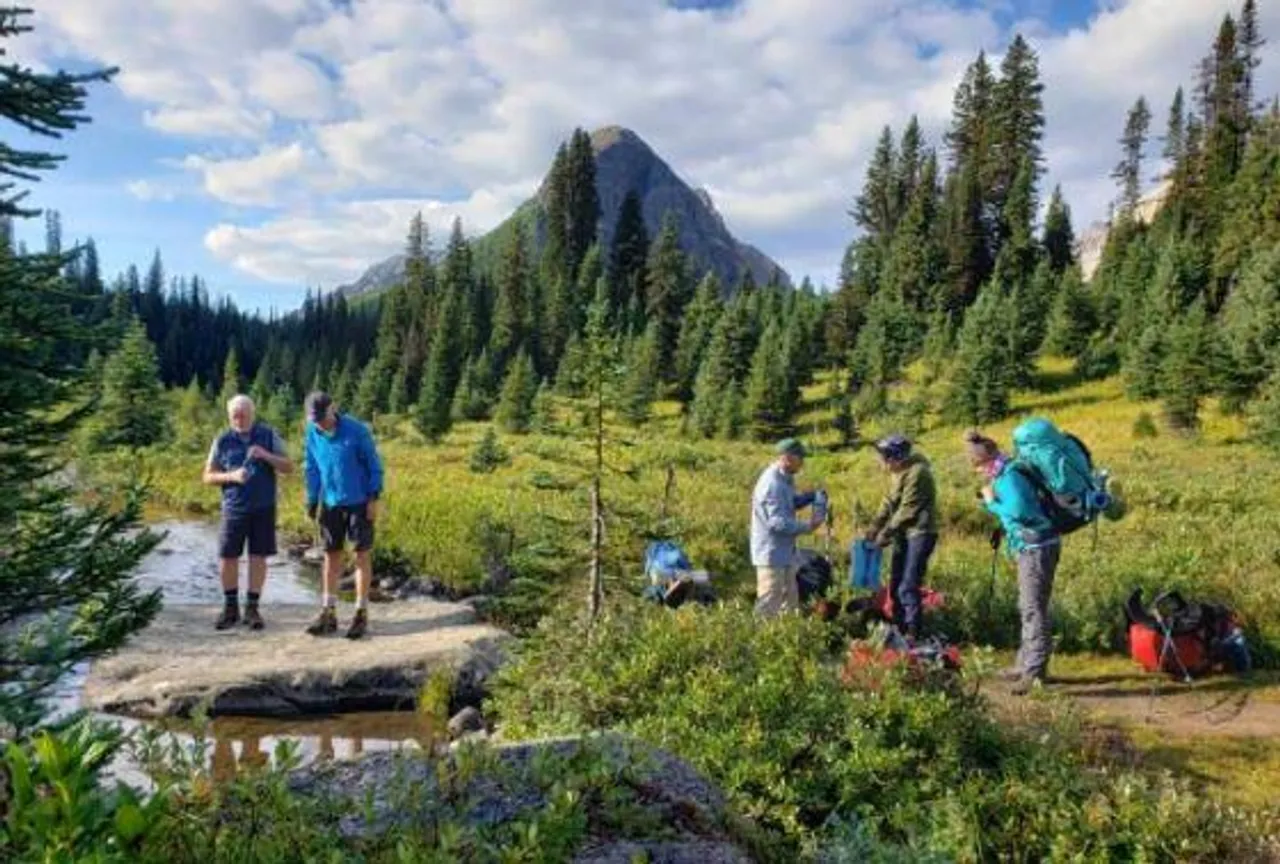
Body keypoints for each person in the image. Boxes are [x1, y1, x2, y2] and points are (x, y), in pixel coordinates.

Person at [964, 429, 1061, 695]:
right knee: (1027, 605)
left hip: (1037, 547)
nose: (979, 473)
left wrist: (991, 502)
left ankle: (1035, 674)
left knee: (1033, 608)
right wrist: (993, 503)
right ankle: (1024, 664)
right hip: (1035, 545)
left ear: (984, 461)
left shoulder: (1009, 478)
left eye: (978, 467)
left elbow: (1019, 511)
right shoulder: (1007, 471)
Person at [202, 394, 294, 631]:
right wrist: (231, 476)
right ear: (229, 415)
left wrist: (266, 455)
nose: (239, 419)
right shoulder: (222, 440)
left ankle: (252, 609)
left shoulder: (267, 435)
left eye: (244, 414)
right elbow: (208, 476)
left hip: (263, 507)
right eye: (235, 415)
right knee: (228, 556)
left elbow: (288, 467)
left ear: (253, 414)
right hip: (233, 507)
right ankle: (230, 608)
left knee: (258, 557)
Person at [303, 391, 384, 640]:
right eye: (314, 419)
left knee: (361, 554)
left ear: (333, 408)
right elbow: (312, 466)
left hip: (359, 501)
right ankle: (328, 612)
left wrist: (373, 498)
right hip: (331, 503)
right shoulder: (312, 432)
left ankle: (361, 613)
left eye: (322, 417)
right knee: (331, 556)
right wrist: (312, 499)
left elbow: (374, 466)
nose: (319, 423)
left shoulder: (356, 430)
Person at [864, 434, 939, 642]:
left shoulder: (918, 473)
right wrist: (874, 526)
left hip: (920, 533)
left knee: (909, 584)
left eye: (882, 456)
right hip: (904, 534)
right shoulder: (898, 472)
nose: (879, 460)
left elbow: (908, 510)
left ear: (893, 456)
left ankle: (912, 632)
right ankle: (898, 626)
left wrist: (885, 533)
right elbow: (888, 503)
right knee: (896, 583)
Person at [750, 438, 826, 618]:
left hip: (786, 553)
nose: (803, 463)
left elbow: (789, 503)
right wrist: (808, 526)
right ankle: (761, 641)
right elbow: (776, 523)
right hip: (771, 554)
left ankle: (787, 638)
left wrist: (809, 497)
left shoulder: (785, 479)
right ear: (788, 458)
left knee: (789, 602)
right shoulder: (772, 484)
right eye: (801, 458)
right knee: (769, 604)